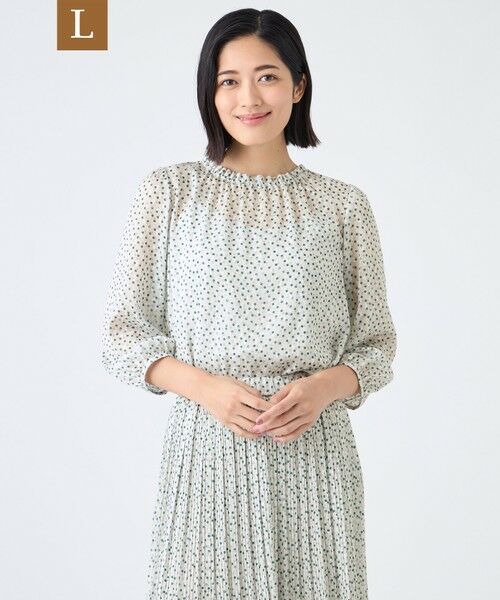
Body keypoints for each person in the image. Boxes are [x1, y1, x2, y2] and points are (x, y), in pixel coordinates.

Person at [101, 8, 397, 600]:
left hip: (314, 456)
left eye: (267, 76)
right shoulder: (170, 192)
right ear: (210, 93)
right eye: (228, 81)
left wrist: (323, 388)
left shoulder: (343, 206)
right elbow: (122, 336)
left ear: (298, 86)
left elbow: (376, 347)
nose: (248, 98)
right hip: (206, 453)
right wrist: (204, 388)